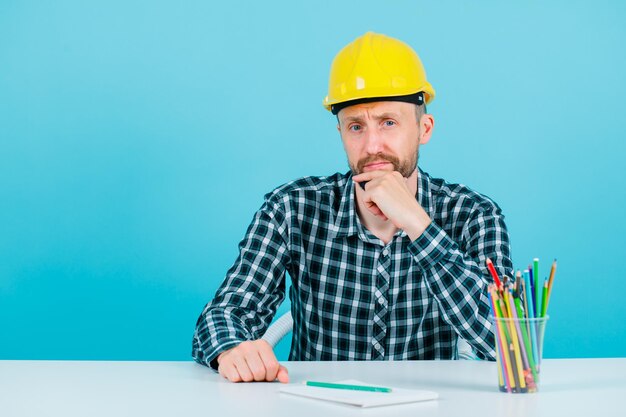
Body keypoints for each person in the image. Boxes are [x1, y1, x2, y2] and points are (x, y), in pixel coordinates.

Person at [192, 32, 513, 383]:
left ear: (424, 129)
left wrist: (418, 225)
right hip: (317, 405)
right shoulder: (292, 208)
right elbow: (222, 316)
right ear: (341, 133)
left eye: (389, 123)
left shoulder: (474, 214)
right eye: (356, 127)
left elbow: (510, 342)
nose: (372, 146)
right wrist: (232, 349)